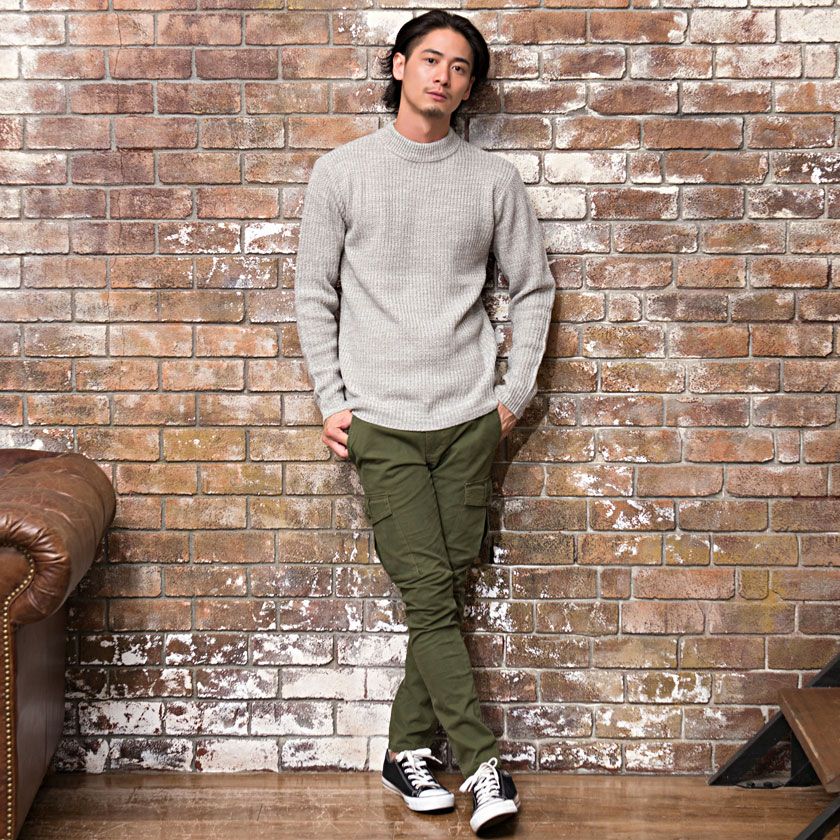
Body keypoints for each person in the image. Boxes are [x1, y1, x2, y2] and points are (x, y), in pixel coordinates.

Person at [293, 9, 554, 834]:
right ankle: (483, 766)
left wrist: (511, 398)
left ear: (471, 88)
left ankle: (406, 749)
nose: (444, 75)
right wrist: (333, 399)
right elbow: (314, 294)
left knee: (442, 593)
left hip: (471, 420)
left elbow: (534, 288)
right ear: (399, 65)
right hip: (382, 422)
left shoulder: (492, 180)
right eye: (431, 59)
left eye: (461, 67)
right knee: (433, 600)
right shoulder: (342, 172)